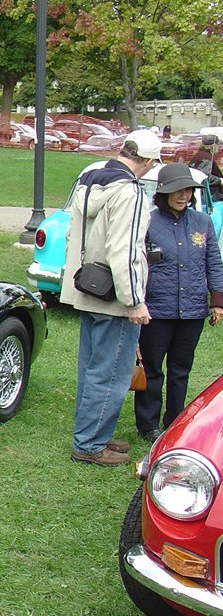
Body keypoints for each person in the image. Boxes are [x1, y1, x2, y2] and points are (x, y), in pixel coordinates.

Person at [61, 129, 161, 466]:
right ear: (146, 161)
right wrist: (134, 300)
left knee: (92, 367)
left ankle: (91, 434)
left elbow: (73, 234)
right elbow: (125, 248)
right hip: (114, 295)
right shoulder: (130, 190)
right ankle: (89, 444)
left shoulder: (90, 177)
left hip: (87, 286)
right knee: (112, 371)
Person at [134, 162, 223, 441]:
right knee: (151, 368)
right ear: (163, 193)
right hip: (156, 311)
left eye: (187, 190)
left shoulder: (202, 222)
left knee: (180, 370)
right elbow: (137, 265)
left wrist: (217, 302)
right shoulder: (147, 221)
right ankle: (148, 425)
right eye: (177, 191)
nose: (183, 195)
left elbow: (214, 263)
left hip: (193, 311)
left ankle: (174, 421)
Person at [189, 134, 222, 202]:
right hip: (206, 196)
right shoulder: (207, 158)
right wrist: (220, 181)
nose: (218, 147)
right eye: (218, 145)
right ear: (214, 146)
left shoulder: (199, 154)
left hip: (197, 192)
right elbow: (205, 178)